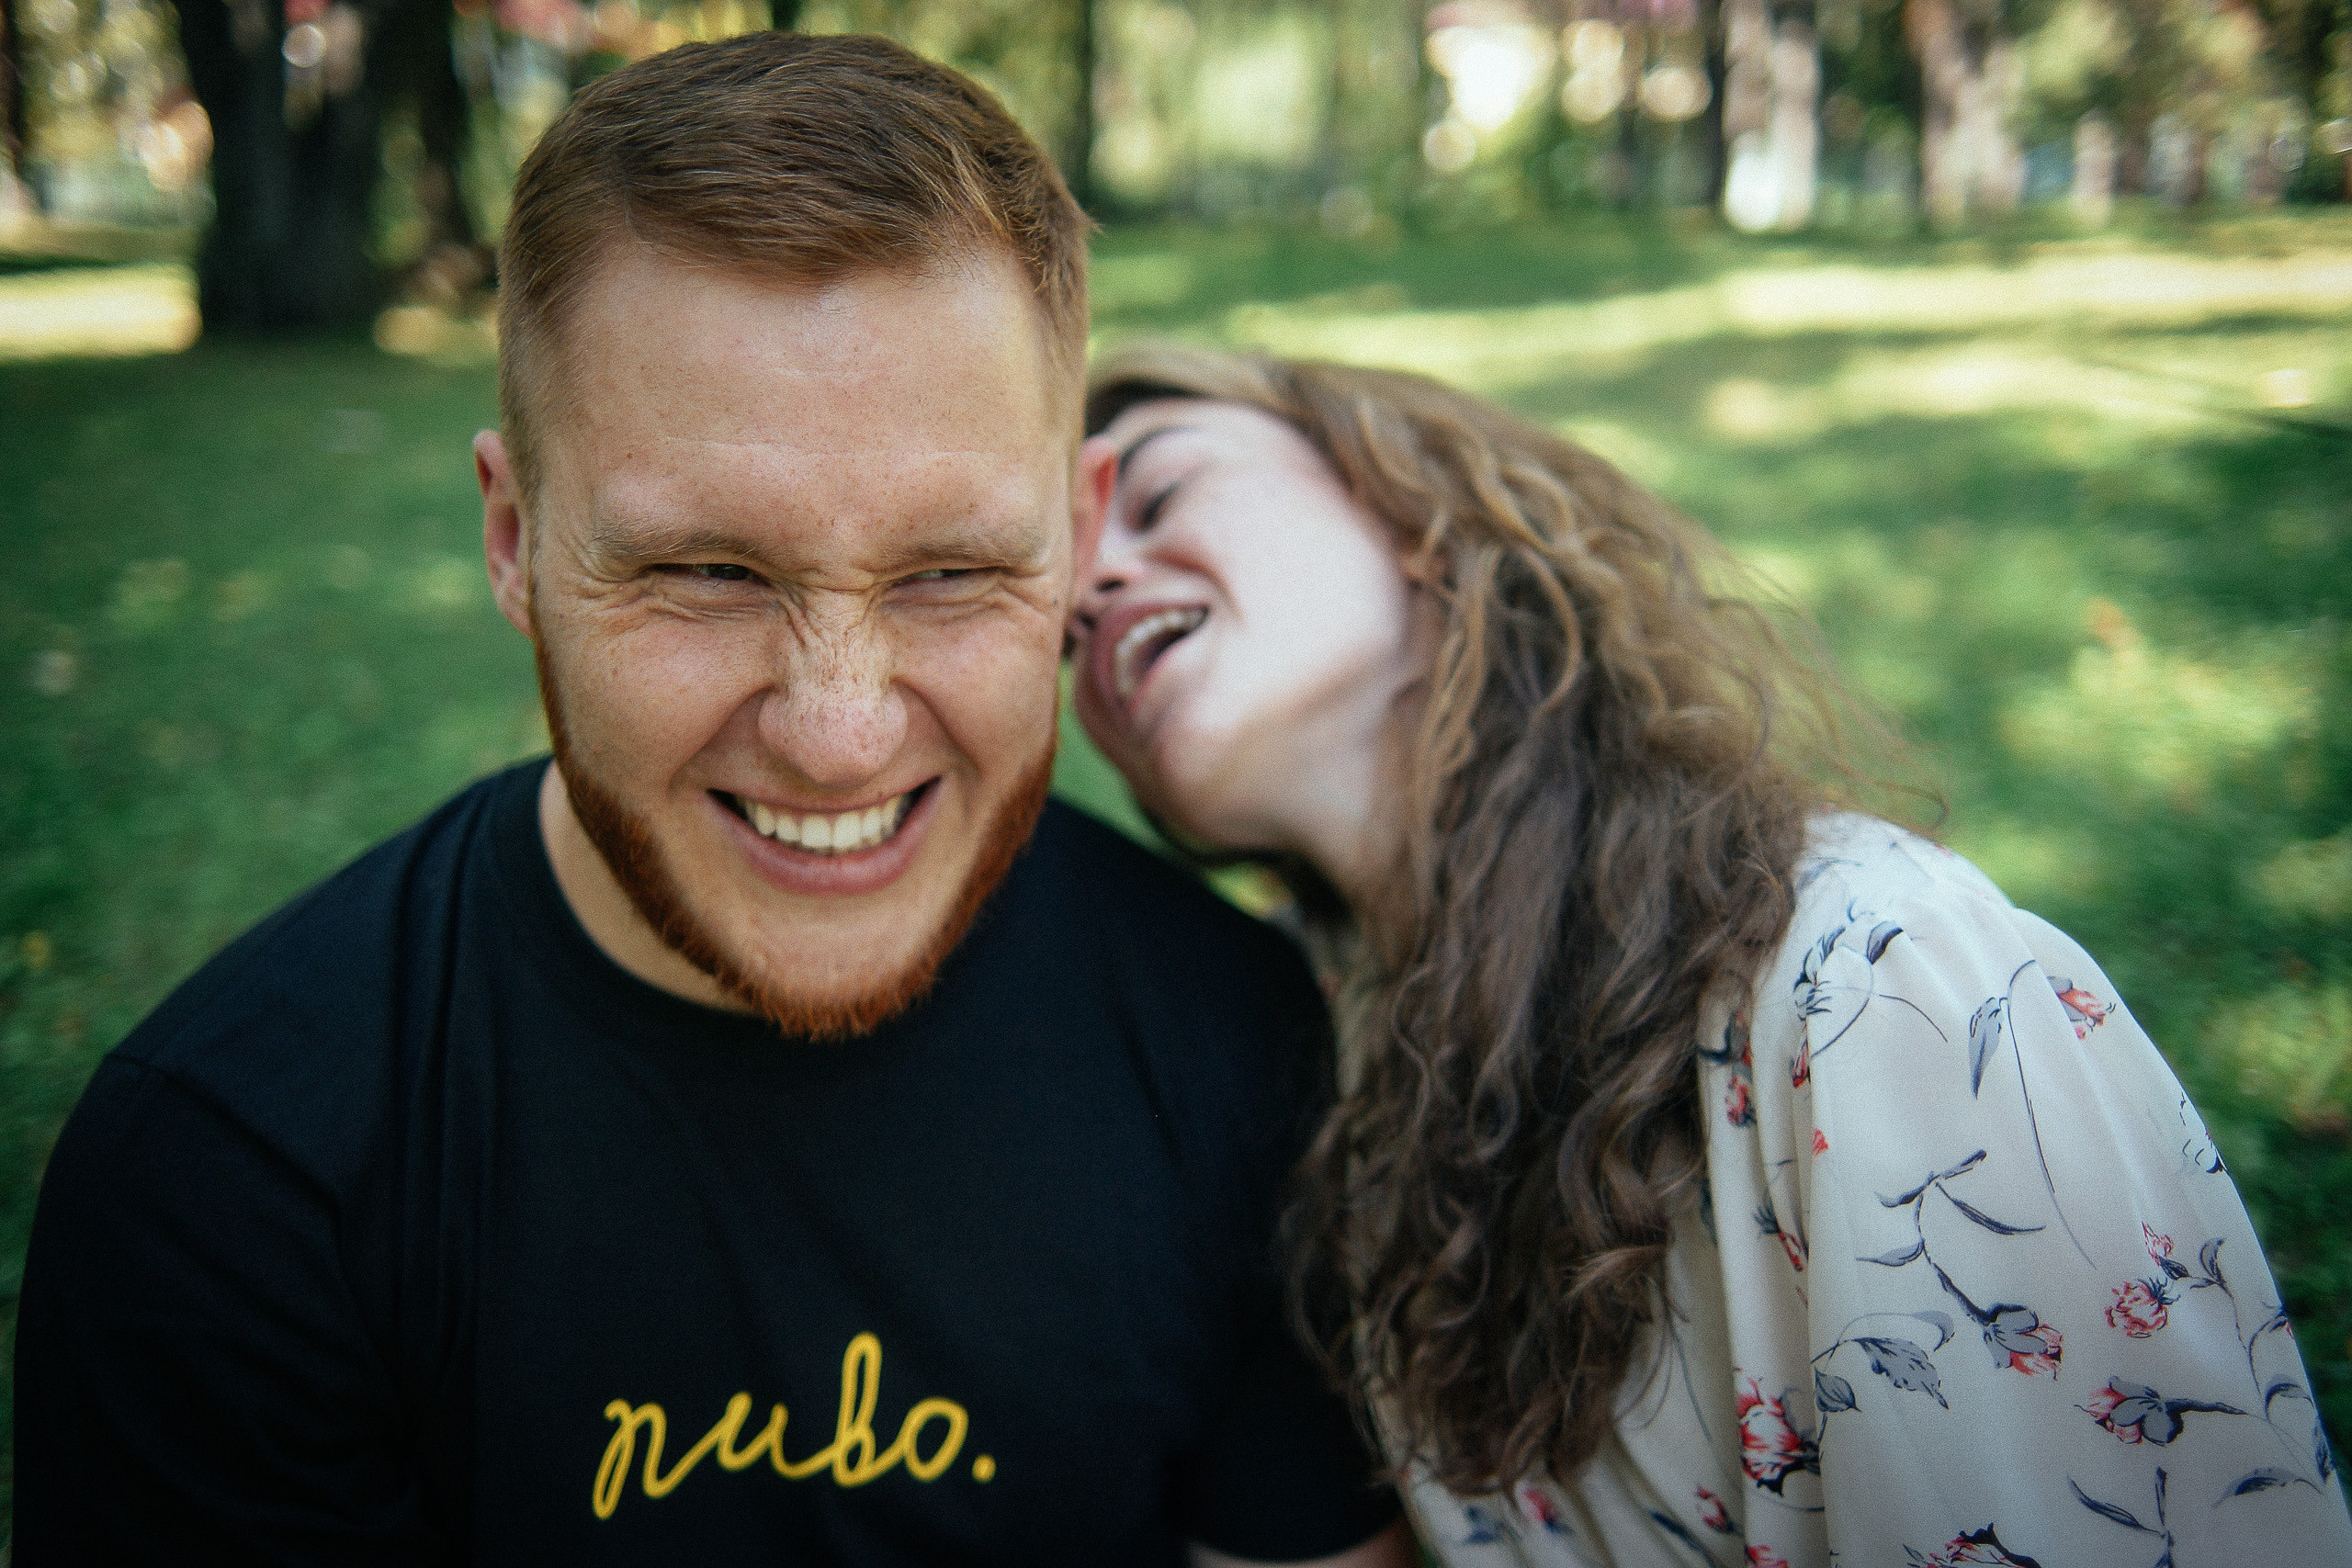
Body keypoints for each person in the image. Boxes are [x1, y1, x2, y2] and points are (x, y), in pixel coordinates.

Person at [13, 39, 1414, 1566]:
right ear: (511, 538)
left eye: (950, 572)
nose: (836, 731)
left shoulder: (1240, 1050)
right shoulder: (230, 1184)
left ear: (1075, 540)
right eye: (704, 572)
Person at [1070, 344, 2352, 1568]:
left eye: (1164, 490)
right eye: (1064, 627)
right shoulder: (1290, 1063)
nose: (1091, 586)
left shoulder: (1868, 982)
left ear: (1407, 501)